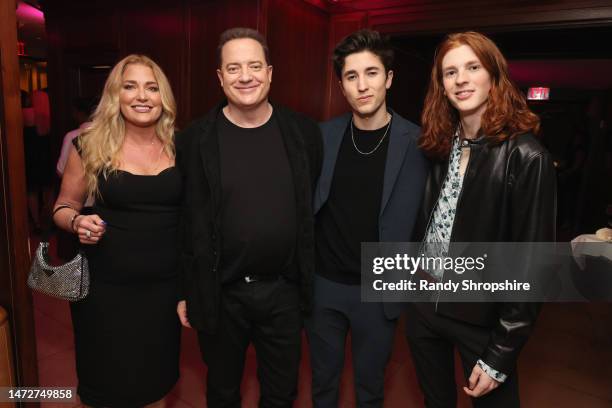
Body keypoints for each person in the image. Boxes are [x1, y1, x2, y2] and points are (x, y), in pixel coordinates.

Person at [405, 31, 556, 407]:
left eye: (473, 67)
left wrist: (501, 353)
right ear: (441, 84)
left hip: (483, 321)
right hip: (425, 308)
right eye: (450, 72)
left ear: (494, 75)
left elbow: (532, 266)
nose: (461, 80)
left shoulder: (527, 156)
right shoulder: (441, 145)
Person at [175, 27, 322, 407]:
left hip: (284, 292)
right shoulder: (194, 140)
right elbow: (185, 220)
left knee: (281, 391)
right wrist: (184, 291)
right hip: (221, 293)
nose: (245, 76)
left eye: (254, 66)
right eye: (234, 68)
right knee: (222, 390)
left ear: (270, 73)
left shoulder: (303, 133)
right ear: (220, 77)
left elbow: (309, 207)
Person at [305, 29, 427, 407]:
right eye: (351, 76)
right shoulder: (321, 137)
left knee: (370, 388)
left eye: (372, 73)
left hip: (380, 290)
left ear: (388, 78)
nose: (362, 85)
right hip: (323, 284)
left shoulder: (419, 144)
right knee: (322, 383)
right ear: (341, 85)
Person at [52, 54, 181, 408]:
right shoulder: (89, 145)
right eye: (130, 86)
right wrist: (78, 222)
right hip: (104, 293)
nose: (142, 96)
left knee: (155, 385)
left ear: (162, 97)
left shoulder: (181, 147)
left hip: (163, 293)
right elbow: (63, 207)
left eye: (151, 87)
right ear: (116, 95)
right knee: (103, 387)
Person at [56, 97, 98, 176]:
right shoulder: (107, 133)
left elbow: (61, 170)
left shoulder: (71, 136)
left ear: (79, 113)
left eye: (74, 112)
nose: (73, 115)